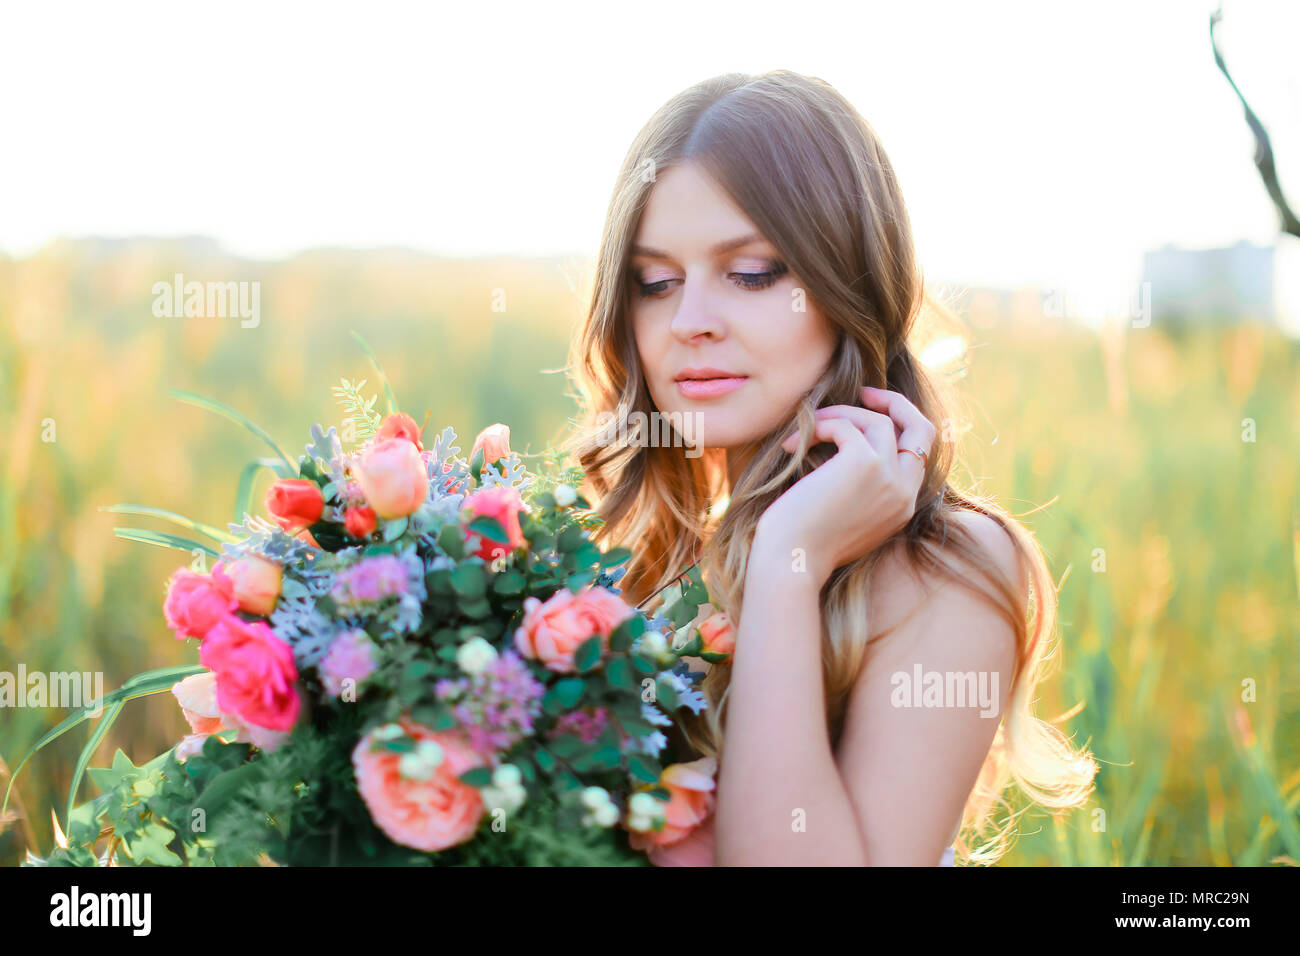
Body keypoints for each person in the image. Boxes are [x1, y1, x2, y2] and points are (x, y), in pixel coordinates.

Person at [562, 70, 1097, 866]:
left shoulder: (948, 573)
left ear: (847, 277)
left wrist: (787, 567)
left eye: (751, 275)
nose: (690, 322)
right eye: (656, 283)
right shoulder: (636, 556)